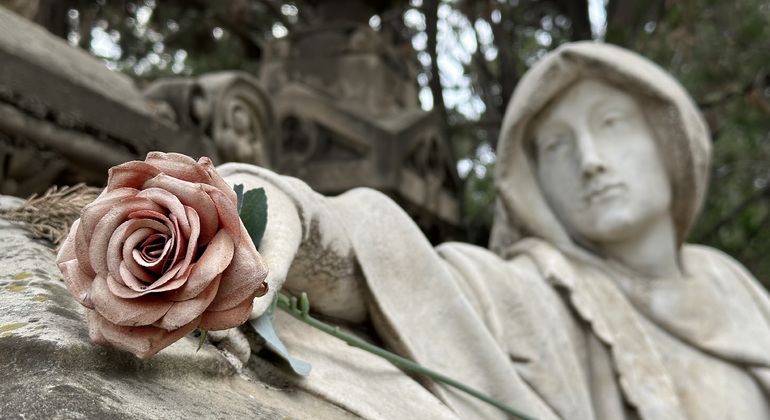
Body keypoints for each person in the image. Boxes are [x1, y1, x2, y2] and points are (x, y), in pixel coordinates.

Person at [217, 41, 770, 419]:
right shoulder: (536, 291)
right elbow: (399, 269)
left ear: (671, 141)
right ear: (535, 184)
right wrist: (277, 207)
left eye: (611, 123)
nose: (590, 160)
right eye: (556, 145)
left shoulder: (738, 287)